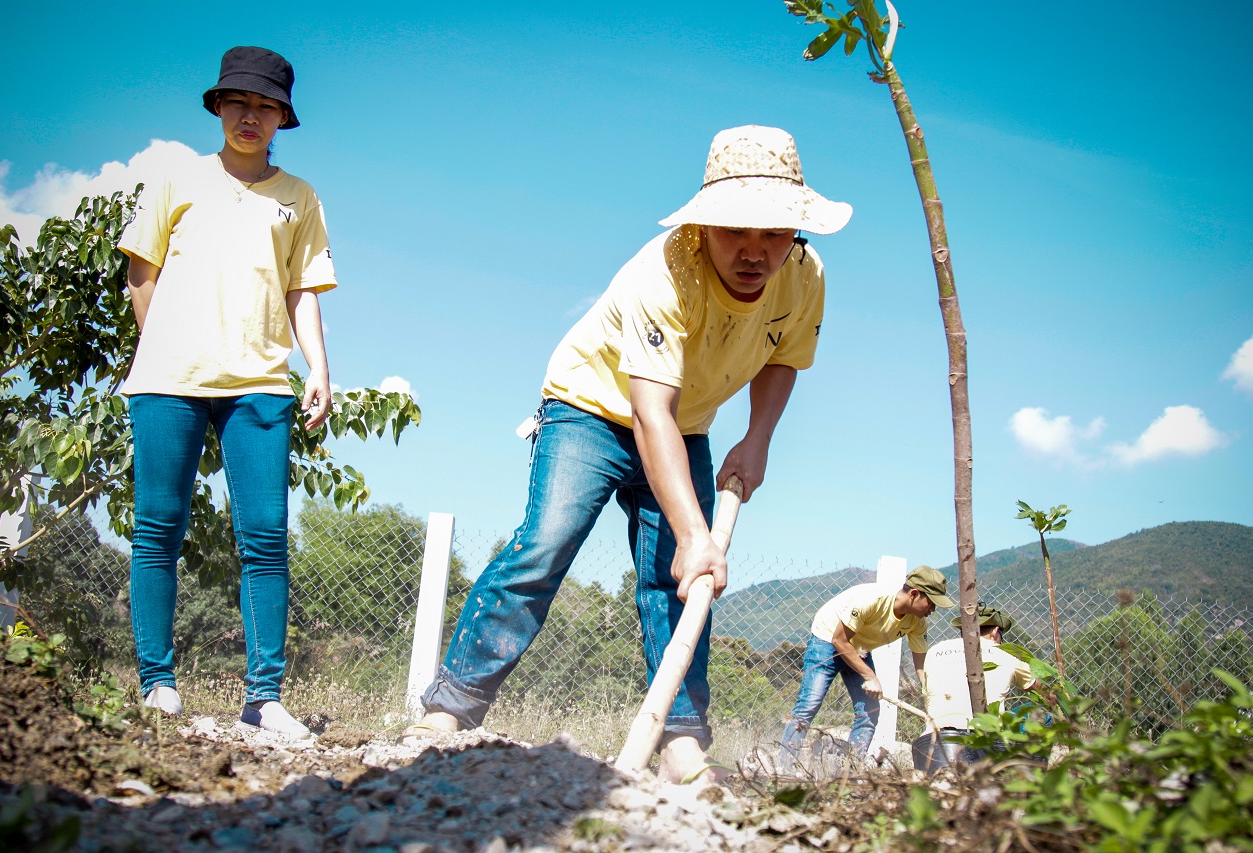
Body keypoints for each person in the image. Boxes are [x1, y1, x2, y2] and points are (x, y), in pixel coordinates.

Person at [406, 125, 852, 784]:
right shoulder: (667, 271)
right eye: (735, 230)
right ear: (705, 225)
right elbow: (648, 412)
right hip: (590, 409)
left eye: (774, 233)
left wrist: (757, 438)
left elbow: (784, 356)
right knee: (547, 543)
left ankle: (681, 739)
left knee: (679, 582)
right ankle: (450, 709)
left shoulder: (806, 276)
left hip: (685, 426)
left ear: (797, 231)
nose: (754, 251)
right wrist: (695, 534)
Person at [119, 46, 336, 738]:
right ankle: (157, 685)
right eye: (239, 101)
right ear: (218, 105)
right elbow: (141, 273)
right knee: (158, 527)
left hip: (261, 384)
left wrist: (319, 368)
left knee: (265, 536)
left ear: (282, 119)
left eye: (266, 106)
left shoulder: (299, 197)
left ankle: (263, 697)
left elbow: (303, 290)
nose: (251, 115)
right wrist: (164, 345)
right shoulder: (176, 179)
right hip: (169, 382)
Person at [778, 566, 954, 768]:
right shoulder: (872, 600)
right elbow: (839, 640)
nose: (933, 609)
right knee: (809, 705)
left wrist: (930, 695)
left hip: (859, 648)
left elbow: (921, 666)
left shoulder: (917, 622)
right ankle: (784, 768)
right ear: (914, 594)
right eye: (931, 602)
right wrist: (870, 677)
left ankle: (849, 770)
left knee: (869, 712)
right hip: (828, 638)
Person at [913, 606, 1039, 772]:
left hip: (933, 742)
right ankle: (1029, 775)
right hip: (985, 741)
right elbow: (1041, 690)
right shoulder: (1007, 653)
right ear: (995, 632)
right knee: (1039, 714)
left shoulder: (935, 650)